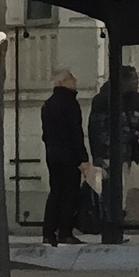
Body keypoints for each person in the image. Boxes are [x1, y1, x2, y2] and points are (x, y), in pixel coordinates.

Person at [88, 65, 139, 227]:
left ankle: (114, 217)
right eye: (133, 78)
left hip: (127, 151)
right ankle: (111, 219)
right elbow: (96, 128)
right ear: (123, 80)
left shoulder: (136, 99)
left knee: (121, 185)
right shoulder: (103, 99)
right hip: (109, 151)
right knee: (112, 185)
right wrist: (98, 155)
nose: (137, 82)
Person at [40, 69, 89, 246]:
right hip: (68, 154)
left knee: (55, 192)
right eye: (70, 78)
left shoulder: (48, 104)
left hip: (52, 153)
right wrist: (83, 159)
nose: (75, 80)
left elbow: (46, 134)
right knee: (69, 193)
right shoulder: (70, 103)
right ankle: (65, 232)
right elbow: (75, 133)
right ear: (61, 82)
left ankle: (48, 232)